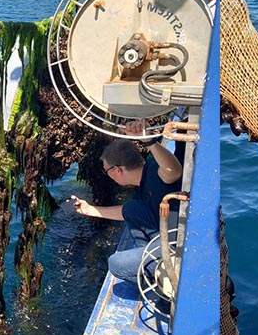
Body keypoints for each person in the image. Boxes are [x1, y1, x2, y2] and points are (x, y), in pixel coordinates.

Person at [71, 120, 189, 288]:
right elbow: (125, 212)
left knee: (116, 263)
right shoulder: (143, 179)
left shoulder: (156, 174)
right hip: (161, 234)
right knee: (131, 208)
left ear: (117, 170)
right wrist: (89, 209)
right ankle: (149, 262)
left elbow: (174, 171)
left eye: (107, 171)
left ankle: (163, 286)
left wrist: (150, 142)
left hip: (174, 248)